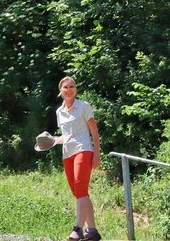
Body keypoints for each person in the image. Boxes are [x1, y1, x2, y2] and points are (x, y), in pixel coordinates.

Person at [53, 76, 102, 241]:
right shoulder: (59, 112)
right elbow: (66, 137)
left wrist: (97, 153)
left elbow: (94, 131)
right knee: (79, 193)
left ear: (76, 89)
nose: (68, 89)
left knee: (81, 189)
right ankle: (93, 231)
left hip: (84, 150)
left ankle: (78, 229)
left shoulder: (83, 106)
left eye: (71, 86)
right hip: (67, 154)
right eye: (65, 87)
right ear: (60, 91)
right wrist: (50, 140)